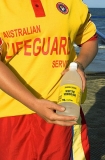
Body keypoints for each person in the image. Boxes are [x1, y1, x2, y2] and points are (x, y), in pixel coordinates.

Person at [0, 0, 98, 160]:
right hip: (11, 114)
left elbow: (90, 39)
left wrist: (79, 64)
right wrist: (33, 102)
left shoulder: (72, 3)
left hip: (64, 107)